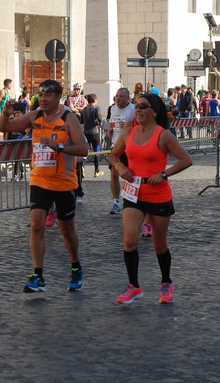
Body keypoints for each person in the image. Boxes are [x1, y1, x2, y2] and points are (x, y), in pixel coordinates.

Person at [0, 79, 88, 293]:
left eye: (49, 96)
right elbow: (5, 127)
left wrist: (59, 146)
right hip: (40, 179)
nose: (44, 99)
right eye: (41, 95)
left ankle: (75, 266)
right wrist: (6, 113)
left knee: (67, 231)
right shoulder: (35, 116)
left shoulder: (68, 119)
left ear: (58, 97)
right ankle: (38, 275)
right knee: (37, 224)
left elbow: (83, 148)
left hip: (64, 183)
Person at [108, 93, 192, 305]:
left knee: (159, 245)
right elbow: (113, 155)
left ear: (154, 111)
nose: (138, 110)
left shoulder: (163, 135)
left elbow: (186, 160)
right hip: (133, 194)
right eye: (136, 106)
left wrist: (164, 174)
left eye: (143, 106)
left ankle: (166, 282)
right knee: (129, 241)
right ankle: (134, 286)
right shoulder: (128, 132)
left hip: (158, 195)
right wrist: (120, 167)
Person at [108, 87, 135, 215]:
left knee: (130, 175)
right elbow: (110, 122)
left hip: (130, 146)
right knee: (114, 173)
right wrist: (109, 130)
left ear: (128, 98)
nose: (118, 99)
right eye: (117, 96)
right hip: (115, 146)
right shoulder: (112, 108)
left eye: (121, 96)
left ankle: (132, 201)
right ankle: (116, 202)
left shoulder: (133, 109)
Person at [81, 93, 103, 177]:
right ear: (95, 100)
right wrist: (99, 122)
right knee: (96, 151)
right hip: (94, 132)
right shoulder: (96, 108)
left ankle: (83, 167)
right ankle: (96, 171)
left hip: (86, 133)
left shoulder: (84, 110)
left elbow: (82, 122)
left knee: (86, 151)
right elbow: (99, 117)